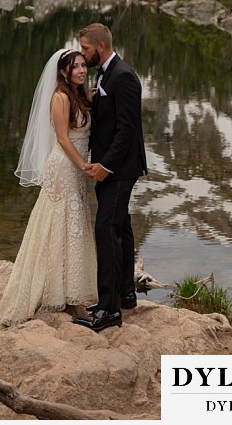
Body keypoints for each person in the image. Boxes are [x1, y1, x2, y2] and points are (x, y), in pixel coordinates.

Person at [0, 48, 98, 326]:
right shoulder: (60, 97)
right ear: (63, 71)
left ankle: (70, 290)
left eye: (82, 65)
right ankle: (62, 293)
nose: (81, 70)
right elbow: (64, 138)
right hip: (65, 166)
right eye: (75, 67)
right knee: (61, 222)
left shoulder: (78, 95)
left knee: (74, 224)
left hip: (75, 169)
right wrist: (83, 165)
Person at [73, 23, 147, 332]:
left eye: (85, 49)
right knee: (121, 225)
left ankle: (108, 310)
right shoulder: (106, 74)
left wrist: (106, 167)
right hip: (111, 167)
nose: (82, 54)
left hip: (119, 169)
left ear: (100, 47)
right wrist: (94, 102)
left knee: (106, 229)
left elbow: (127, 130)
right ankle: (125, 293)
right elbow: (110, 119)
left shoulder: (124, 76)